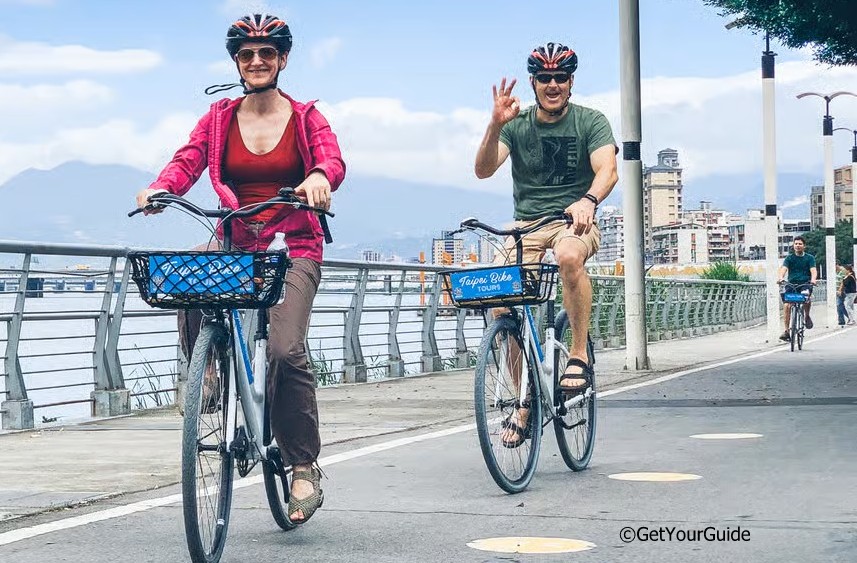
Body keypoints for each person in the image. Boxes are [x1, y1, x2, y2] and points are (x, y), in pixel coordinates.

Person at [134, 14, 345, 524]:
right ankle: (206, 371)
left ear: (283, 60)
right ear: (237, 62)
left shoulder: (306, 116)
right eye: (247, 54)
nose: (256, 61)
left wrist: (318, 177)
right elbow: (186, 162)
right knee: (188, 276)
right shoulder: (218, 118)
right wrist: (160, 188)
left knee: (284, 348)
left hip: (294, 243)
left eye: (266, 53)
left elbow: (331, 161)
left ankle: (302, 466)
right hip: (237, 238)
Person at [474, 42, 618, 446]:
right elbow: (484, 170)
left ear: (571, 82)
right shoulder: (517, 125)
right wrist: (495, 124)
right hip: (526, 226)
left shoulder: (591, 121)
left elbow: (608, 169)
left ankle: (577, 353)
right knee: (500, 298)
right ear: (534, 83)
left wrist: (588, 200)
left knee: (570, 254)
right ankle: (525, 399)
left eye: (560, 77)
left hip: (574, 220)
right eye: (544, 78)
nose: (552, 85)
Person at [777, 236, 817, 341]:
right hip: (791, 284)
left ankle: (806, 316)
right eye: (796, 244)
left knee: (806, 298)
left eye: (800, 244)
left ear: (804, 246)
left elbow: (813, 270)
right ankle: (786, 331)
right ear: (793, 245)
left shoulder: (810, 258)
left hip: (805, 284)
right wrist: (781, 278)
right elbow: (784, 269)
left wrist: (813, 280)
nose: (798, 246)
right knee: (787, 305)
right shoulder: (789, 258)